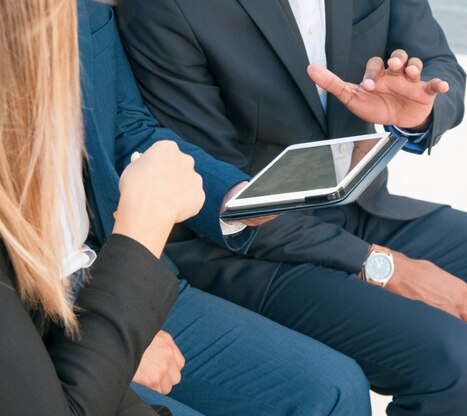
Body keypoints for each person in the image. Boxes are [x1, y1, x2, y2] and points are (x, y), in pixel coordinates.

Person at [117, 0, 467, 415]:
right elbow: (217, 194)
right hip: (247, 249)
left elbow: (439, 64)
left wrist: (423, 110)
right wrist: (382, 266)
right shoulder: (169, 7)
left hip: (361, 206)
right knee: (455, 361)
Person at [0, 0, 371, 415]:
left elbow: (127, 124)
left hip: (105, 268)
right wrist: (116, 343)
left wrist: (230, 197)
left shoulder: (84, 8)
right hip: (37, 307)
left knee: (334, 390)